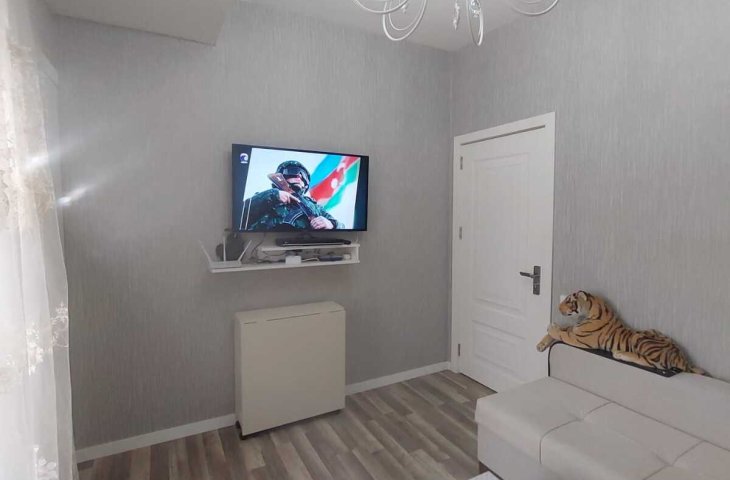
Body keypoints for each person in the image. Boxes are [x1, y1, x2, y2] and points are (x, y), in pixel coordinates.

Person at [239, 161, 343, 231]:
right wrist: (274, 195)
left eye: (304, 176)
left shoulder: (315, 207)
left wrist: (331, 224)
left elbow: (342, 227)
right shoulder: (266, 197)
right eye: (293, 171)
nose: (299, 176)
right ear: (281, 176)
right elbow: (240, 214)